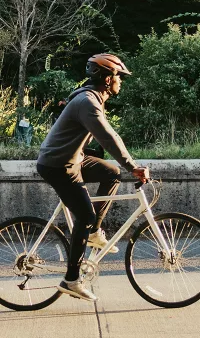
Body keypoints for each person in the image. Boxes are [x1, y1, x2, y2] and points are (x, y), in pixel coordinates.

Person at [37, 53, 149, 302]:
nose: (121, 81)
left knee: (111, 172)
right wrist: (133, 166)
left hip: (72, 159)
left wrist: (124, 166)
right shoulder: (88, 102)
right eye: (119, 76)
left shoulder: (93, 97)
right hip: (59, 165)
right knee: (85, 215)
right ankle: (72, 279)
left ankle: (94, 232)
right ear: (108, 79)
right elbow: (108, 137)